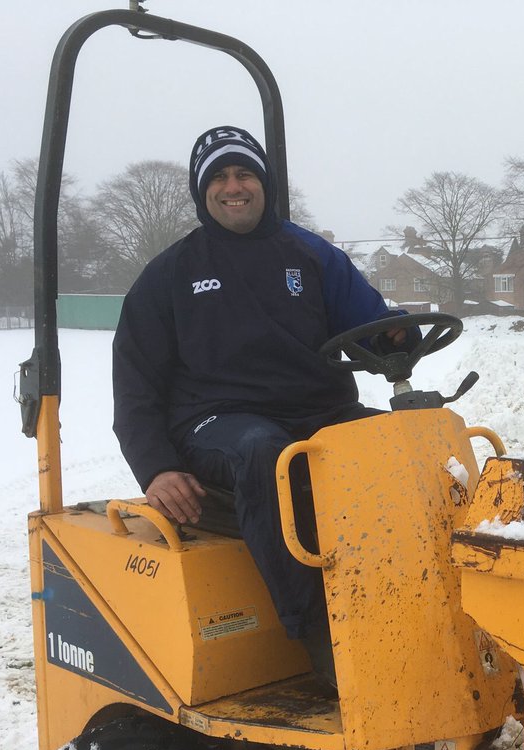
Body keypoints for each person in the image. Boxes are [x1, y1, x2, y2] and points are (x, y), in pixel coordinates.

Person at [112, 125, 412, 697]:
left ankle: (416, 597)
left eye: (244, 173)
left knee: (401, 440)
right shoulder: (169, 275)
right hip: (216, 420)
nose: (234, 186)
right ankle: (320, 635)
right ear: (203, 192)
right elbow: (135, 385)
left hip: (316, 409)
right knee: (265, 452)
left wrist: (394, 337)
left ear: (265, 184)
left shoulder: (311, 255)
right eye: (220, 177)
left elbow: (369, 326)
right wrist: (155, 467)